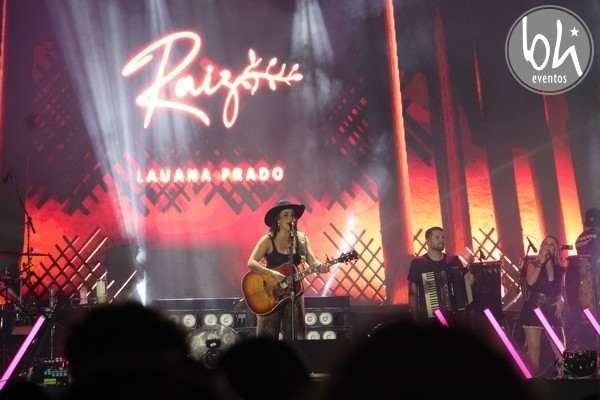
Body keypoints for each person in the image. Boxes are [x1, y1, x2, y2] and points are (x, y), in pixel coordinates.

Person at [247, 199, 328, 340]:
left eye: (293, 215)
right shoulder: (268, 240)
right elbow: (251, 262)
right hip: (271, 294)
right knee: (267, 335)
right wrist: (271, 273)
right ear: (277, 219)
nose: (291, 218)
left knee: (296, 336)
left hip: (294, 292)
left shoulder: (301, 239)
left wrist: (321, 266)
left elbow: (312, 261)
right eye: (286, 215)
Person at [517, 235, 566, 377]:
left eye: (552, 244)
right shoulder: (533, 264)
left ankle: (564, 378)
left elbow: (561, 289)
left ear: (556, 249)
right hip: (534, 308)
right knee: (534, 350)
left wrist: (561, 299)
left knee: (559, 349)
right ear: (541, 248)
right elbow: (530, 283)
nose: (548, 246)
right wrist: (541, 263)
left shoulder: (559, 269)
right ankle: (535, 381)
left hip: (551, 310)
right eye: (546, 244)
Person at [407, 226, 475, 324]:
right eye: (437, 237)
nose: (441, 240)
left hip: (456, 318)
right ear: (428, 241)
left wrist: (470, 282)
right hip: (430, 320)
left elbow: (465, 285)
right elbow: (413, 294)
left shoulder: (454, 260)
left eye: (443, 237)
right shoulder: (418, 263)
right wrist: (415, 319)